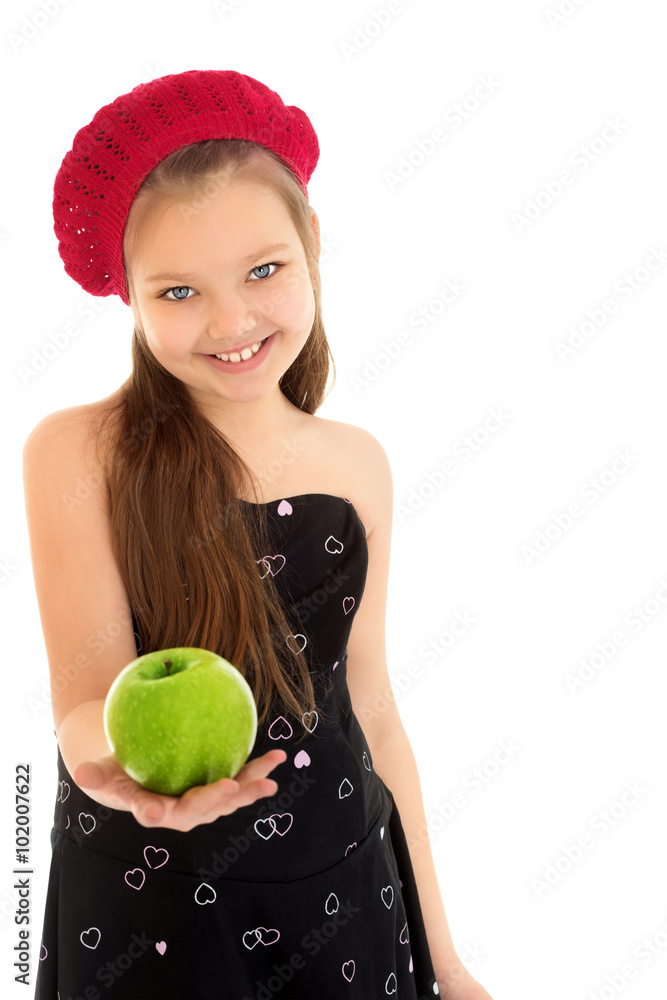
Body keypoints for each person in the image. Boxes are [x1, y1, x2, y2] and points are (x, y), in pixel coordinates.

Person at [23, 69, 494, 999]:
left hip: (340, 883)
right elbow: (84, 695)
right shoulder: (80, 451)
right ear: (129, 295)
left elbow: (374, 708)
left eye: (264, 271)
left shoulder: (356, 462)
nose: (231, 321)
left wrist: (445, 961)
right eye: (178, 292)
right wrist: (114, 775)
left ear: (312, 243)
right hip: (151, 898)